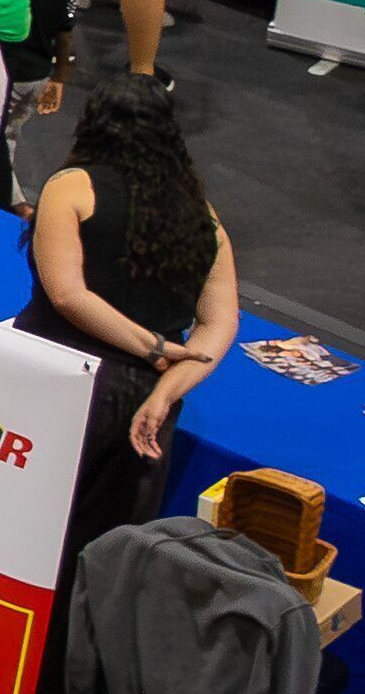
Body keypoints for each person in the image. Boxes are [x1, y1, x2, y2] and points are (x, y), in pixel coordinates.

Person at [22, 84, 241, 559]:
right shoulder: (204, 218)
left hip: (56, 378)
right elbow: (219, 324)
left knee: (24, 531)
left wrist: (152, 348)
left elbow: (68, 295)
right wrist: (165, 391)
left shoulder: (71, 187)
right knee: (105, 553)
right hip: (142, 398)